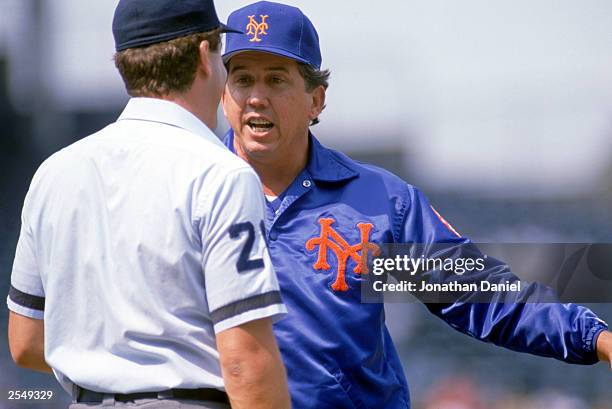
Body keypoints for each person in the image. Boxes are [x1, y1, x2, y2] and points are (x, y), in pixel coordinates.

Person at [220, 2, 612, 408]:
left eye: (276, 80)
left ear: (315, 100)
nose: (256, 98)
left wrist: (595, 337)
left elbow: (476, 291)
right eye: (243, 79)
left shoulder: (376, 203)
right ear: (223, 93)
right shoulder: (188, 192)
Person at [7, 1, 291, 408]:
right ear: (203, 59)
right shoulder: (220, 174)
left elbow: (25, 341)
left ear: (125, 63)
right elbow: (245, 361)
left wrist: (110, 368)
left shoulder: (54, 172)